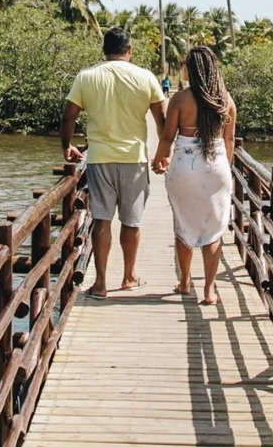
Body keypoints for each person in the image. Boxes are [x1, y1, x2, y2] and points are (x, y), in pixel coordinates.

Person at [60, 27, 166, 299]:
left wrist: (67, 146)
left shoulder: (87, 76)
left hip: (99, 159)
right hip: (134, 159)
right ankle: (129, 277)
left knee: (102, 219)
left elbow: (69, 116)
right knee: (131, 221)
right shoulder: (145, 77)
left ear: (104, 50)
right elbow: (162, 120)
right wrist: (162, 154)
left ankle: (100, 284)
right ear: (129, 50)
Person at [151, 45, 236, 305]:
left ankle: (185, 282)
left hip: (185, 168)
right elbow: (229, 140)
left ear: (191, 70)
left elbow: (167, 137)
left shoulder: (180, 99)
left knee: (183, 224)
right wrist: (225, 168)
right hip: (216, 166)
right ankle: (209, 290)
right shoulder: (226, 100)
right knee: (213, 231)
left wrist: (158, 159)